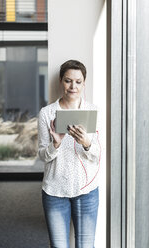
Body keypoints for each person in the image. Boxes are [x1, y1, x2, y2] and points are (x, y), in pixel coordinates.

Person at [38, 60, 101, 248]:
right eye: (68, 81)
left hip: (86, 190)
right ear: (60, 82)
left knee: (85, 246)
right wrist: (55, 145)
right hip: (54, 190)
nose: (73, 86)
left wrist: (86, 143)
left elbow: (97, 155)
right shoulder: (47, 113)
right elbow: (42, 155)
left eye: (78, 81)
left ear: (84, 83)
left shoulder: (92, 111)